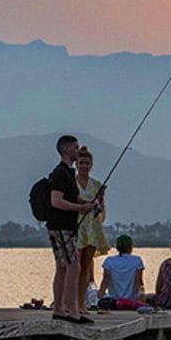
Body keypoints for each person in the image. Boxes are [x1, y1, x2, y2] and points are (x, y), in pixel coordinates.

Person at [46, 134, 99, 324]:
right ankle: (73, 311)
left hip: (65, 227)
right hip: (61, 227)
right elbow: (56, 201)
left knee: (62, 267)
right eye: (76, 147)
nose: (79, 150)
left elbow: (74, 198)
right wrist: (80, 209)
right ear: (67, 150)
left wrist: (89, 204)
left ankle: (60, 309)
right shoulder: (60, 173)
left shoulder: (68, 173)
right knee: (73, 266)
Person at [75, 145, 110, 312]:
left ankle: (82, 303)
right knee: (74, 267)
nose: (84, 166)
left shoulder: (96, 185)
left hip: (92, 230)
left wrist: (101, 200)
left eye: (87, 163)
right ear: (77, 164)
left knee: (86, 268)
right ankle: (72, 302)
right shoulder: (72, 184)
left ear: (91, 165)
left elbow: (101, 212)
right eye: (81, 163)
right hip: (77, 229)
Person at [99, 234, 145, 302]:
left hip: (113, 299)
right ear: (130, 247)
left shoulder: (109, 260)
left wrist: (100, 295)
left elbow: (106, 279)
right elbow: (138, 280)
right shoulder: (137, 260)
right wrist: (141, 296)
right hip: (132, 299)